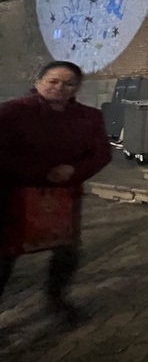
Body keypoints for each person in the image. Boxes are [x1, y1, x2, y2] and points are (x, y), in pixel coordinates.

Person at [0, 61, 112, 325]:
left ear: (77, 88)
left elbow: (101, 154)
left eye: (68, 83)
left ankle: (57, 299)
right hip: (14, 194)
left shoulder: (89, 116)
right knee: (5, 256)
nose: (60, 87)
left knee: (66, 250)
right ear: (38, 81)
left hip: (64, 195)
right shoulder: (11, 112)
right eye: (53, 81)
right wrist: (43, 172)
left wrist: (73, 170)